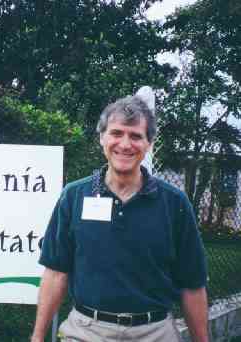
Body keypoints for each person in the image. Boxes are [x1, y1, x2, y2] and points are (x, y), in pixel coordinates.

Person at [31, 92, 209, 342]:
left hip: (155, 333)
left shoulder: (175, 204)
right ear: (102, 137)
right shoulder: (73, 197)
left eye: (136, 136)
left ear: (149, 144)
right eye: (116, 133)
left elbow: (192, 284)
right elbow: (55, 273)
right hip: (86, 331)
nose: (125, 144)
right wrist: (37, 338)